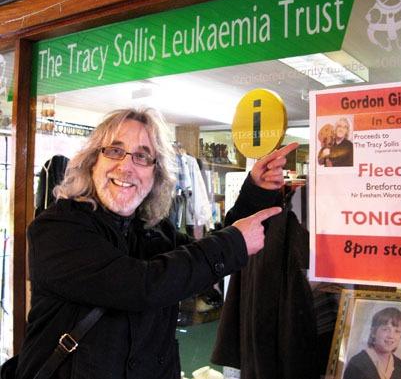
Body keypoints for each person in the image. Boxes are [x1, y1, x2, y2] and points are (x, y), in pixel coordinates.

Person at [15, 108, 298, 379]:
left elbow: (197, 269)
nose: (126, 166)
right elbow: (141, 286)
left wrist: (255, 192)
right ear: (92, 162)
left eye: (142, 156)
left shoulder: (152, 229)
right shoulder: (56, 230)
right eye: (114, 151)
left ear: (156, 175)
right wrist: (233, 242)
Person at [343, 307, 401, 379]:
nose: (391, 336)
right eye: (385, 329)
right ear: (373, 332)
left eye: (397, 331)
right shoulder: (357, 364)